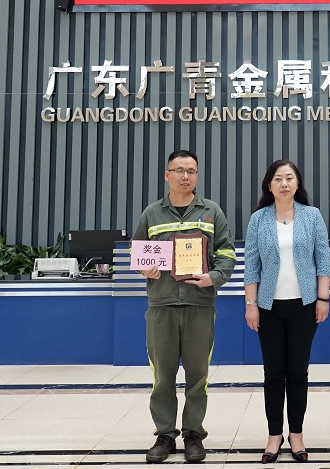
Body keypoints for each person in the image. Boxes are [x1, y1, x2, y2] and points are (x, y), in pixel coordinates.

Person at [134, 150, 236, 464]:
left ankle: (194, 435)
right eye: (179, 170)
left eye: (191, 171)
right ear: (167, 175)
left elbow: (227, 254)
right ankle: (165, 435)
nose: (185, 176)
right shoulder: (152, 214)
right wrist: (145, 268)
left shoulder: (211, 211)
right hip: (162, 305)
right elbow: (139, 252)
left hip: (199, 305)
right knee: (163, 378)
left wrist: (213, 278)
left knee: (198, 376)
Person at [243, 159, 330, 463]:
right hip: (267, 307)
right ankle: (274, 436)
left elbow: (323, 259)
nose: (284, 183)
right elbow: (251, 265)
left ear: (297, 184)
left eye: (289, 178)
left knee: (297, 372)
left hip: (304, 305)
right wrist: (251, 305)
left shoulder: (312, 215)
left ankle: (296, 434)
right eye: (278, 179)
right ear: (269, 185)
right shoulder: (258, 219)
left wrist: (323, 298)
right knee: (273, 374)